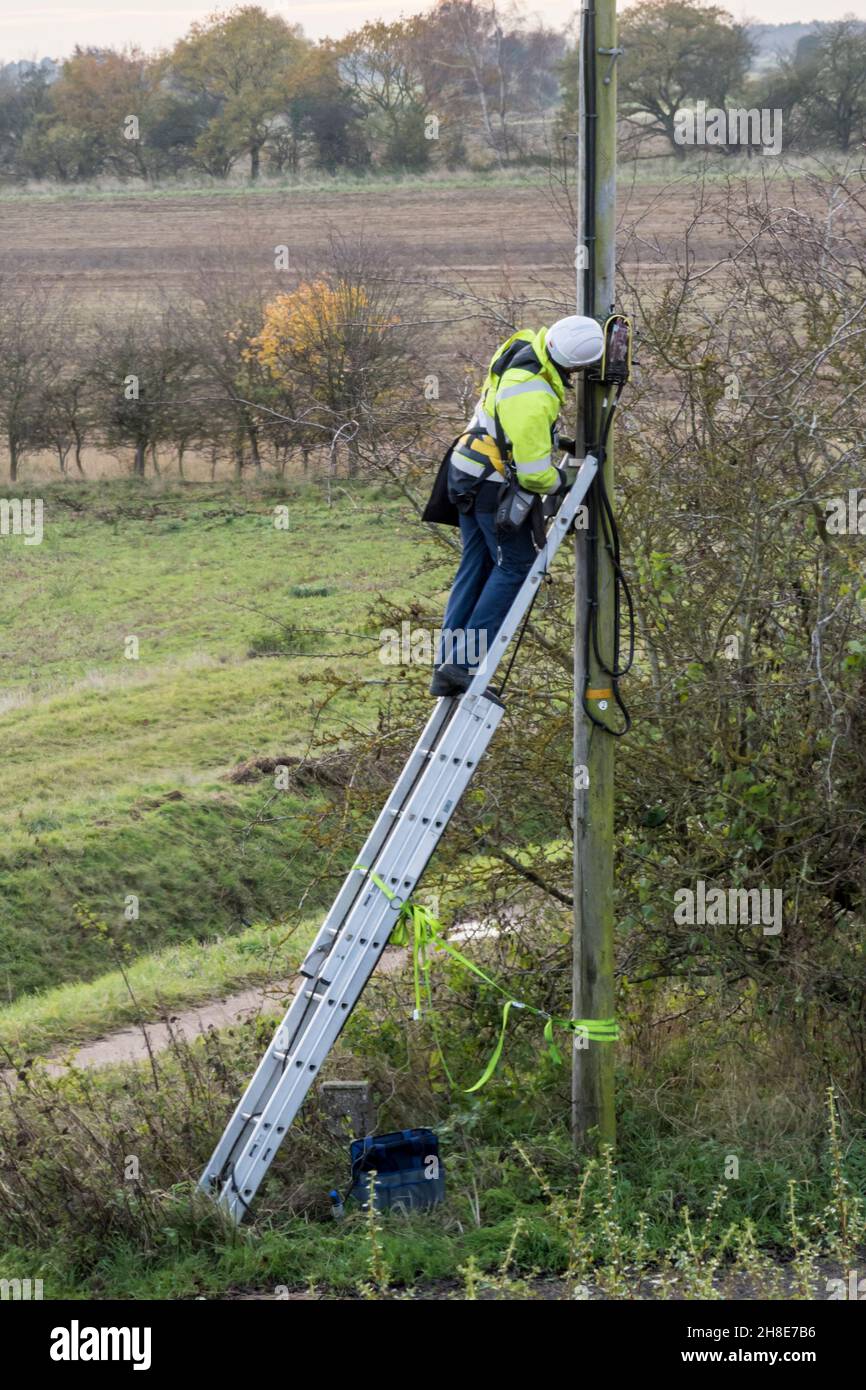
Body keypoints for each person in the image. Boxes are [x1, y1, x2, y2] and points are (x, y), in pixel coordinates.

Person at [428, 315, 604, 697]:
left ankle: (447, 662)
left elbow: (507, 423)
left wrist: (555, 441)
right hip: (489, 485)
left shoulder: (522, 348)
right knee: (516, 566)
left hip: (465, 471)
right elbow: (533, 475)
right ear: (575, 366)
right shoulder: (535, 394)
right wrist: (564, 480)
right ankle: (461, 665)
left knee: (475, 568)